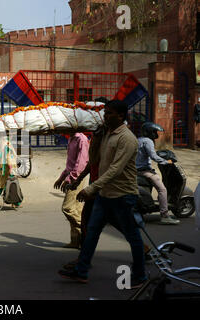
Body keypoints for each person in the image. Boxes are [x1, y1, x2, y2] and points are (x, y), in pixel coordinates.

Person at [58, 100, 147, 289]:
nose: (105, 116)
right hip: (105, 194)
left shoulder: (127, 138)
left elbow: (115, 169)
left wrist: (91, 188)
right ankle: (81, 270)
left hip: (122, 195)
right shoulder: (107, 134)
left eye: (109, 113)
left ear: (121, 116)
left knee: (132, 236)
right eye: (105, 113)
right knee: (91, 232)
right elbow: (95, 161)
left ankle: (140, 275)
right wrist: (97, 140)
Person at [136, 122, 179, 225]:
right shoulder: (148, 141)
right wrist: (167, 162)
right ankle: (165, 215)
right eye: (155, 132)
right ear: (150, 132)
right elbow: (153, 156)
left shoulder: (139, 140)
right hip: (144, 171)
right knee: (162, 189)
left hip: (136, 170)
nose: (156, 134)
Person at [54, 132, 89, 249]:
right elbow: (70, 164)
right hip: (71, 177)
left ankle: (86, 230)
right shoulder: (71, 139)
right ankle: (76, 241)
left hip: (76, 178)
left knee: (67, 208)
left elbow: (81, 163)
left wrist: (71, 179)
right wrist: (61, 178)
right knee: (76, 209)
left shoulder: (81, 139)